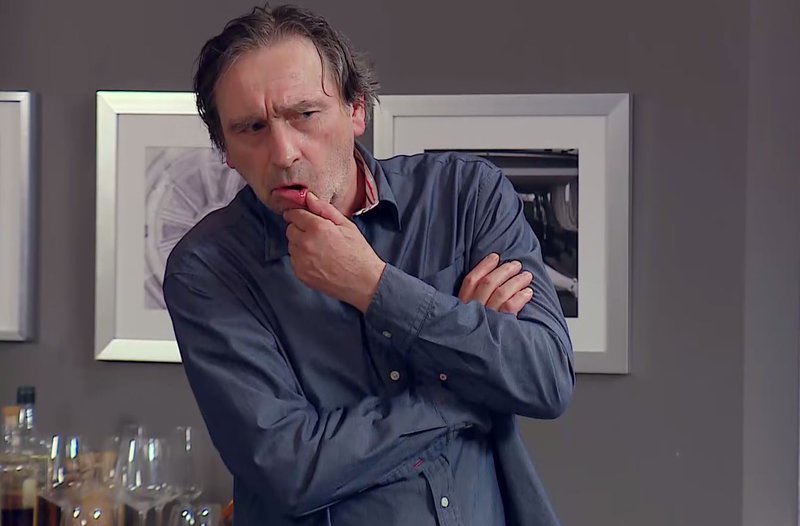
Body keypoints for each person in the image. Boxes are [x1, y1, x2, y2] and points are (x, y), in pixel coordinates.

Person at [163, 4, 575, 526]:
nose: (284, 153)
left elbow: (544, 377)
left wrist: (373, 285)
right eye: (251, 128)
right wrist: (461, 384)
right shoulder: (208, 267)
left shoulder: (465, 195)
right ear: (225, 149)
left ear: (356, 110)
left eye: (304, 115)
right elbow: (289, 469)